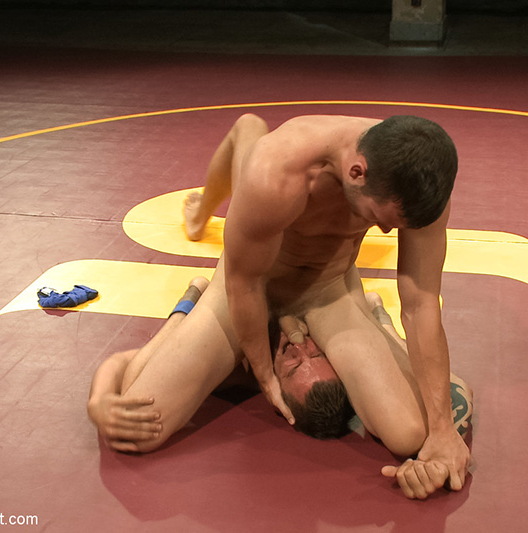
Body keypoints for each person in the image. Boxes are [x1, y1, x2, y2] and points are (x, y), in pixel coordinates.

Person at [183, 113, 469, 490]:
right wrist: (264, 374)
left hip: (325, 286)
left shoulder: (421, 186)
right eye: (380, 218)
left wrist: (443, 430)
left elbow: (420, 304)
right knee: (147, 418)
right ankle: (243, 139)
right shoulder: (280, 166)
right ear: (357, 173)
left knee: (408, 434)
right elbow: (244, 281)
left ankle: (378, 323)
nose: (384, 230)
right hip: (252, 280)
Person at [87, 270, 473, 499]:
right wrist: (439, 447)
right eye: (315, 355)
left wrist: (99, 402)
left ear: (276, 394)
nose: (299, 346)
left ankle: (188, 303)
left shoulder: (244, 367)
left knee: (141, 420)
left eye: (291, 363)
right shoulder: (331, 348)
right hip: (312, 277)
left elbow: (121, 363)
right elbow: (458, 389)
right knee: (408, 433)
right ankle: (380, 320)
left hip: (255, 284)